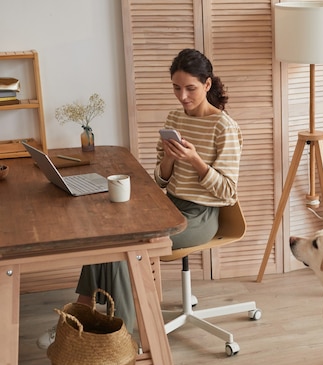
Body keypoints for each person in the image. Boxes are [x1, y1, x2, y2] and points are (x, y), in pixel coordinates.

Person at [38, 48, 243, 349]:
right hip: (170, 205)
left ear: (208, 85)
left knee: (125, 249)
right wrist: (171, 161)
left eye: (190, 88)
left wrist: (196, 161)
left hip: (203, 215)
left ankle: (121, 340)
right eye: (176, 87)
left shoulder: (224, 127)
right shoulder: (174, 117)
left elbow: (227, 192)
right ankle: (77, 321)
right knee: (107, 237)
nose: (182, 96)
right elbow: (160, 179)